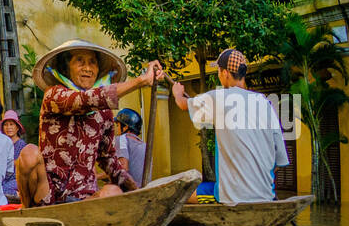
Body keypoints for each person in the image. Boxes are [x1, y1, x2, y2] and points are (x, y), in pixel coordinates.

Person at [16, 39, 161, 208]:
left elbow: (109, 160)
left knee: (112, 192)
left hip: (84, 198)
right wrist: (140, 81)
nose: (87, 68)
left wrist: (138, 192)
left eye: (92, 62)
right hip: (48, 195)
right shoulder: (54, 94)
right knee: (29, 153)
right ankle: (28, 212)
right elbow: (84, 101)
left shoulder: (104, 112)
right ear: (67, 67)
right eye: (80, 61)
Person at [172, 48, 290, 205]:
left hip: (230, 196)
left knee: (177, 196)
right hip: (266, 194)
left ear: (225, 73)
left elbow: (182, 104)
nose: (219, 75)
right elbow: (280, 160)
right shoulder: (265, 103)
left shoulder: (218, 97)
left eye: (219, 71)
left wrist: (177, 92)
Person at [113, 108, 146, 186]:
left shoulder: (122, 139)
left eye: (118, 125)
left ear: (125, 127)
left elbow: (123, 169)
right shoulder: (144, 144)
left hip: (130, 190)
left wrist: (97, 176)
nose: (117, 129)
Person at [0, 109, 25, 201]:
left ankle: (21, 196)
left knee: (2, 190)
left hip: (17, 179)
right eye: (5, 125)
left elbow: (22, 164)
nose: (8, 127)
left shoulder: (21, 144)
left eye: (11, 124)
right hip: (3, 178)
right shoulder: (2, 144)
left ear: (17, 128)